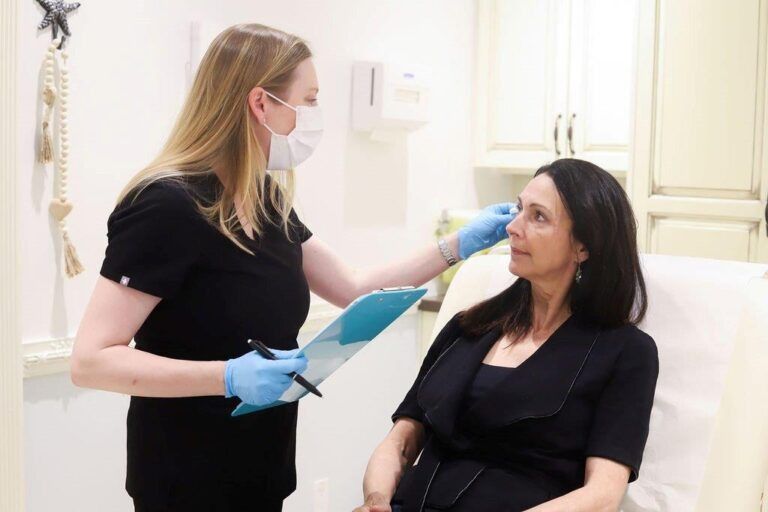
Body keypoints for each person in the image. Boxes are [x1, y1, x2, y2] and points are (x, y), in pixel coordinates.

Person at [70, 23, 515, 512]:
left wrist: (458, 245)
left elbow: (353, 289)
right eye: (309, 99)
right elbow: (92, 360)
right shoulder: (167, 206)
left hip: (263, 464)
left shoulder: (266, 200)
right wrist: (227, 377)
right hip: (187, 474)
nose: (314, 116)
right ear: (262, 104)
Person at [355, 158, 660, 512]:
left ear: (583, 247)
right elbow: (401, 442)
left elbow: (603, 495)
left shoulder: (624, 353)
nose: (514, 227)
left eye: (538, 216)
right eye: (518, 209)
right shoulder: (466, 328)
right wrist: (376, 501)